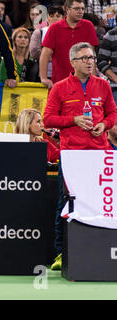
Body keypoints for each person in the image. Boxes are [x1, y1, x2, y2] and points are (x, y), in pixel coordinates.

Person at [43, 42, 117, 270]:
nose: (90, 61)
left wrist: (104, 124)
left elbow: (113, 113)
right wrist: (72, 121)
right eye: (85, 58)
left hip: (99, 154)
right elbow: (48, 119)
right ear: (73, 62)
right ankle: (60, 253)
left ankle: (97, 251)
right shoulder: (60, 87)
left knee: (100, 204)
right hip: (72, 155)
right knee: (65, 203)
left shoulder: (102, 86)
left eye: (92, 58)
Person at [39, 0, 99, 89]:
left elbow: (92, 56)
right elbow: (45, 55)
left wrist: (93, 79)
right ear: (67, 9)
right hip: (60, 82)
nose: (80, 11)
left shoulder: (89, 26)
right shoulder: (55, 28)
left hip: (84, 83)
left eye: (82, 9)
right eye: (77, 8)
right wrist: (43, 78)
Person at [29, 5, 65, 80]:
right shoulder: (39, 32)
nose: (54, 19)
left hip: (63, 74)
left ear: (63, 18)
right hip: (44, 74)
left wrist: (48, 55)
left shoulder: (67, 33)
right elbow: (34, 53)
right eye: (51, 16)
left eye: (58, 16)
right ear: (47, 17)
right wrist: (53, 56)